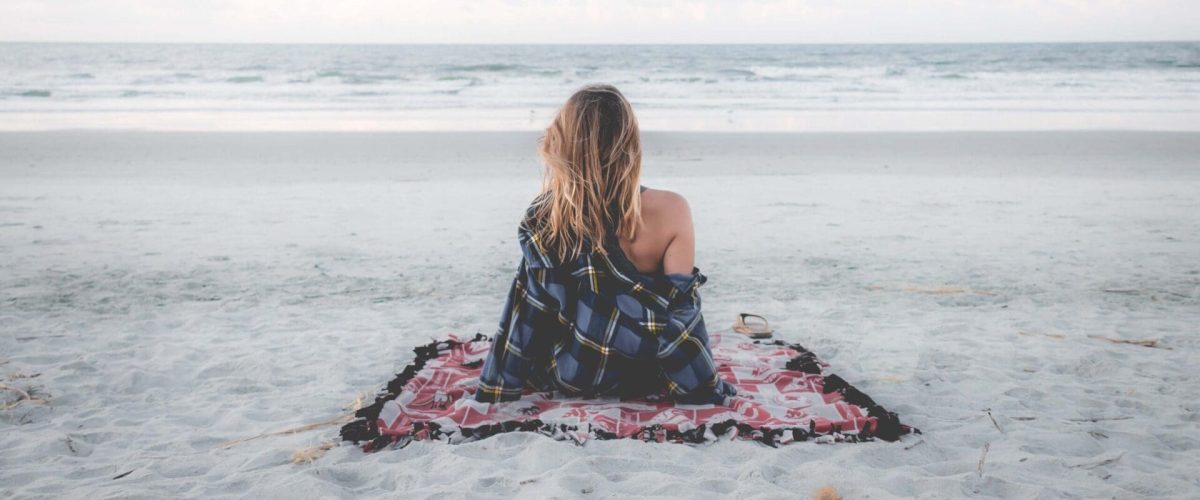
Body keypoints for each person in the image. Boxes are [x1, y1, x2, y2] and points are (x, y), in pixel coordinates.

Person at [475, 84, 736, 405]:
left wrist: (496, 390)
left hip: (575, 374)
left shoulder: (547, 215)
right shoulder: (671, 209)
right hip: (650, 375)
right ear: (629, 143)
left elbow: (530, 312)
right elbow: (680, 312)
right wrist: (700, 385)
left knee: (532, 281)